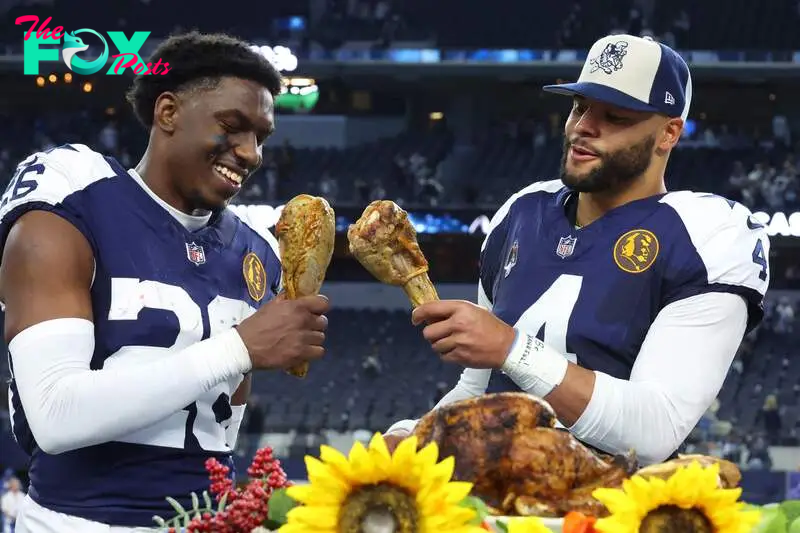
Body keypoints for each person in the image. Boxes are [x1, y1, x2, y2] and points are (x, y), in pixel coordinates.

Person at [385, 34, 771, 465]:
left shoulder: (704, 234)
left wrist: (515, 349)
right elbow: (478, 391)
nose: (583, 126)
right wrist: (414, 440)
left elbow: (656, 430)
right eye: (579, 106)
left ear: (668, 133)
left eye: (615, 116)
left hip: (611, 518)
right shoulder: (522, 212)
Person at [0, 32, 330, 531]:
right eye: (233, 126)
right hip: (78, 521)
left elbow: (222, 431)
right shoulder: (76, 196)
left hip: (204, 521)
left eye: (261, 136)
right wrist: (239, 348)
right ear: (169, 112)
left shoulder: (255, 252)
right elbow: (55, 414)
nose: (251, 153)